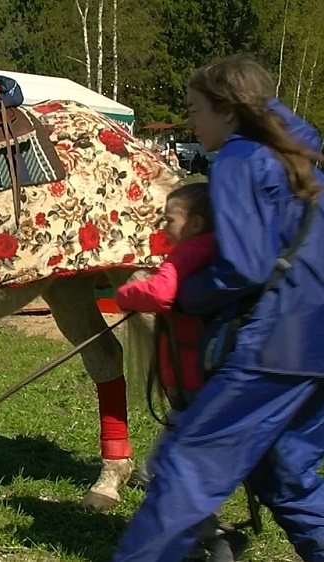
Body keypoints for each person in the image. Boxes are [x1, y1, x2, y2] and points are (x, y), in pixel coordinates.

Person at [111, 54, 324, 562]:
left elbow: (245, 266)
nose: (191, 121)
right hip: (317, 343)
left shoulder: (239, 158)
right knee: (285, 470)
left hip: (275, 345)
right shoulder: (301, 157)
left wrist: (183, 294)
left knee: (188, 462)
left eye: (194, 109)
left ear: (227, 110)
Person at [114, 183, 233, 561]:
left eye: (169, 219)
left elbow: (161, 294)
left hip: (191, 386)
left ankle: (209, 540)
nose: (163, 226)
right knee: (188, 470)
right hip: (203, 383)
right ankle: (197, 541)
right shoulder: (215, 251)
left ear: (195, 223)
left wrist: (124, 295)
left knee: (159, 471)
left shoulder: (186, 254)